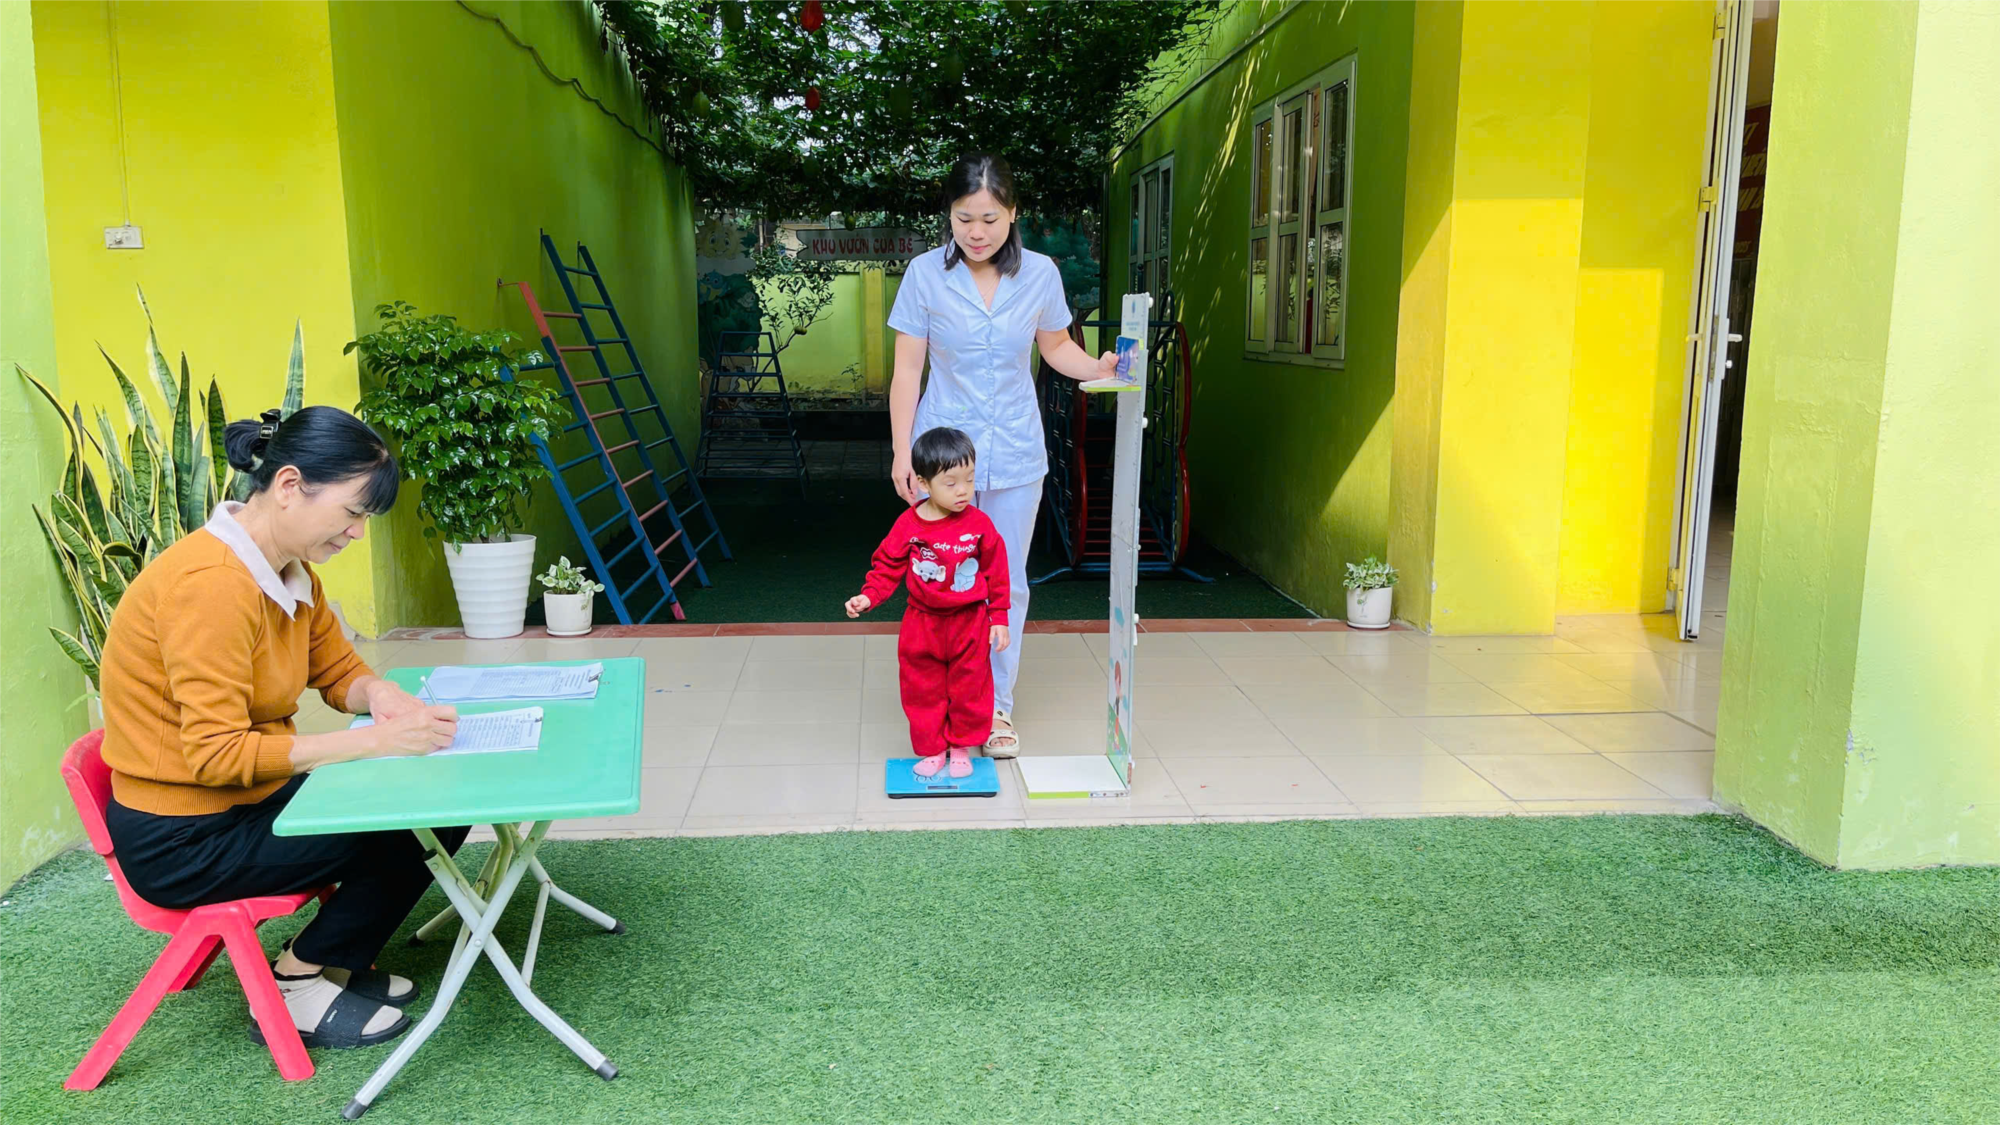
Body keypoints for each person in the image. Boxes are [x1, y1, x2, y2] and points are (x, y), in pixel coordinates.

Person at [98, 405, 465, 1051]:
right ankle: (296, 980)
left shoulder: (289, 570)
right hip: (184, 839)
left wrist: (379, 695)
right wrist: (372, 742)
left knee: (437, 806)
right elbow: (217, 756)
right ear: (291, 485)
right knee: (416, 820)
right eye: (352, 513)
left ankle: (331, 960)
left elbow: (338, 670)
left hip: (244, 802)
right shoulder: (211, 586)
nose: (357, 533)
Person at [887, 153, 1118, 758]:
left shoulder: (1040, 273)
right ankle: (946, 700)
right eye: (964, 219)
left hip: (1014, 452)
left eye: (989, 219)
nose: (976, 232)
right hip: (941, 457)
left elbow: (1056, 347)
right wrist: (901, 452)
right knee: (940, 577)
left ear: (1013, 213)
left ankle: (995, 710)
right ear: (949, 215)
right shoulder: (924, 274)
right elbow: (907, 371)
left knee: (1005, 584)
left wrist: (1097, 370)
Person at [847, 428, 1011, 780]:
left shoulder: (980, 524)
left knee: (970, 688)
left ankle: (961, 748)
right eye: (950, 483)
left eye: (969, 479)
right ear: (923, 483)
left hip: (970, 621)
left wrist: (999, 617)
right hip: (922, 624)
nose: (963, 490)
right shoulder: (908, 524)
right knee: (922, 689)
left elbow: (997, 571)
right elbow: (887, 566)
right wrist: (868, 596)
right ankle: (934, 749)